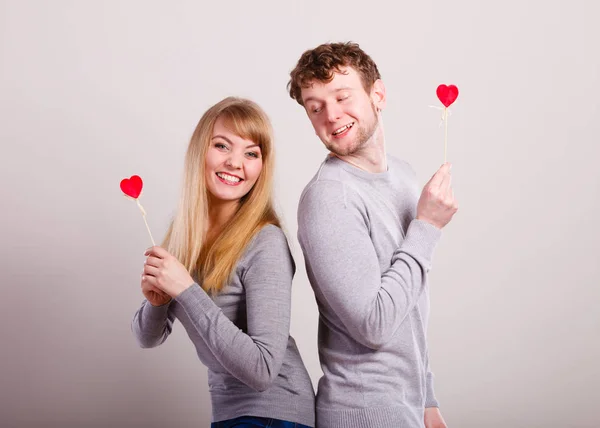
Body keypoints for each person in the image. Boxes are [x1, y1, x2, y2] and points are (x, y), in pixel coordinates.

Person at [287, 42, 458, 428]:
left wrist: (426, 399)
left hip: (407, 409)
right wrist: (427, 226)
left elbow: (411, 306)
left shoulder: (403, 175)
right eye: (316, 108)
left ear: (377, 95)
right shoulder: (329, 196)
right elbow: (373, 325)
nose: (331, 115)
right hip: (363, 413)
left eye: (342, 97)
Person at [131, 97, 315, 428]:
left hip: (275, 414)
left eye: (251, 153)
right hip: (230, 414)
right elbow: (147, 337)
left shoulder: (265, 242)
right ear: (199, 149)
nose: (235, 162)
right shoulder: (184, 235)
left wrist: (186, 289)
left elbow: (262, 371)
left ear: (262, 167)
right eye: (222, 146)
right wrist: (156, 303)